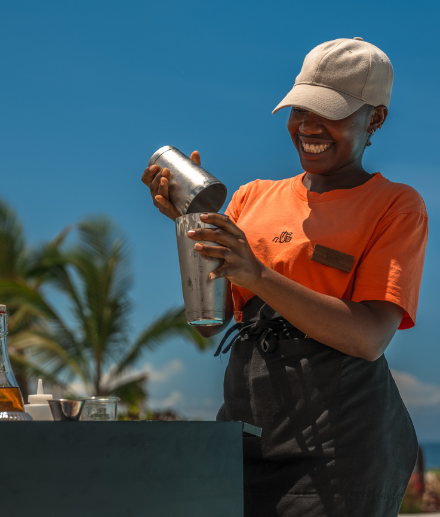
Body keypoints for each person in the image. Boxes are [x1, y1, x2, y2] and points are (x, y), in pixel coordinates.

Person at [141, 37, 427, 517]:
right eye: (300, 109)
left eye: (330, 111)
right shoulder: (254, 197)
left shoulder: (395, 206)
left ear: (374, 118)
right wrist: (187, 223)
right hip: (247, 436)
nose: (308, 125)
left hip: (342, 450)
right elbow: (211, 323)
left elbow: (368, 338)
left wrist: (257, 273)